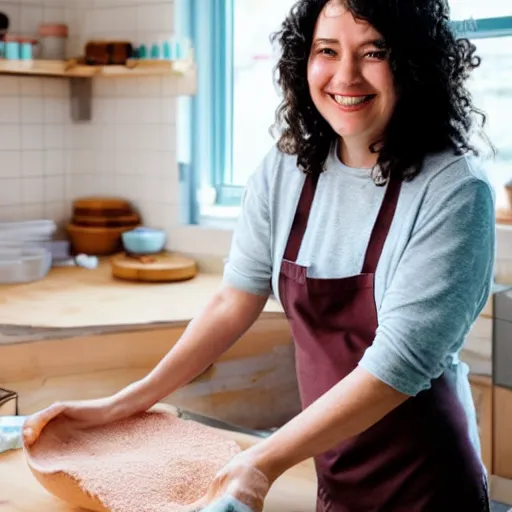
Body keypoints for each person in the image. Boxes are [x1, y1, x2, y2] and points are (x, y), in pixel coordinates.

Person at [24, 0, 497, 510]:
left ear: (413, 62)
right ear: (303, 61)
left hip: (427, 483)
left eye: (374, 51)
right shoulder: (288, 167)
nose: (346, 75)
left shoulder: (455, 191)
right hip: (332, 470)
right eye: (327, 50)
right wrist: (123, 403)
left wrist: (260, 462)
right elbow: (234, 300)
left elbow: (395, 368)